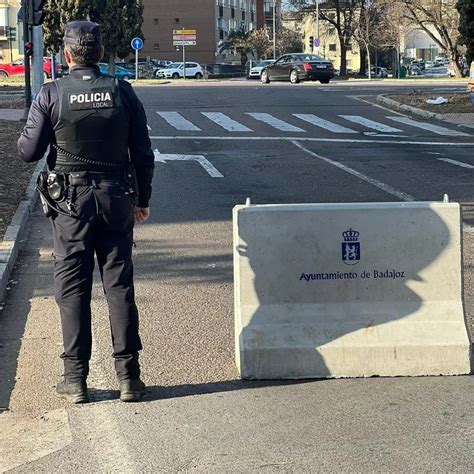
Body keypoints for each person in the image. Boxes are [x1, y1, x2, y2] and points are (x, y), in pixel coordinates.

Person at [17, 20, 155, 403]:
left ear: (66, 55)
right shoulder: (122, 91)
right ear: (99, 54)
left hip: (70, 206)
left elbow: (28, 152)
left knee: (72, 289)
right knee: (119, 286)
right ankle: (129, 378)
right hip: (116, 199)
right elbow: (143, 154)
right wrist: (142, 201)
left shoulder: (51, 93)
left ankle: (75, 379)